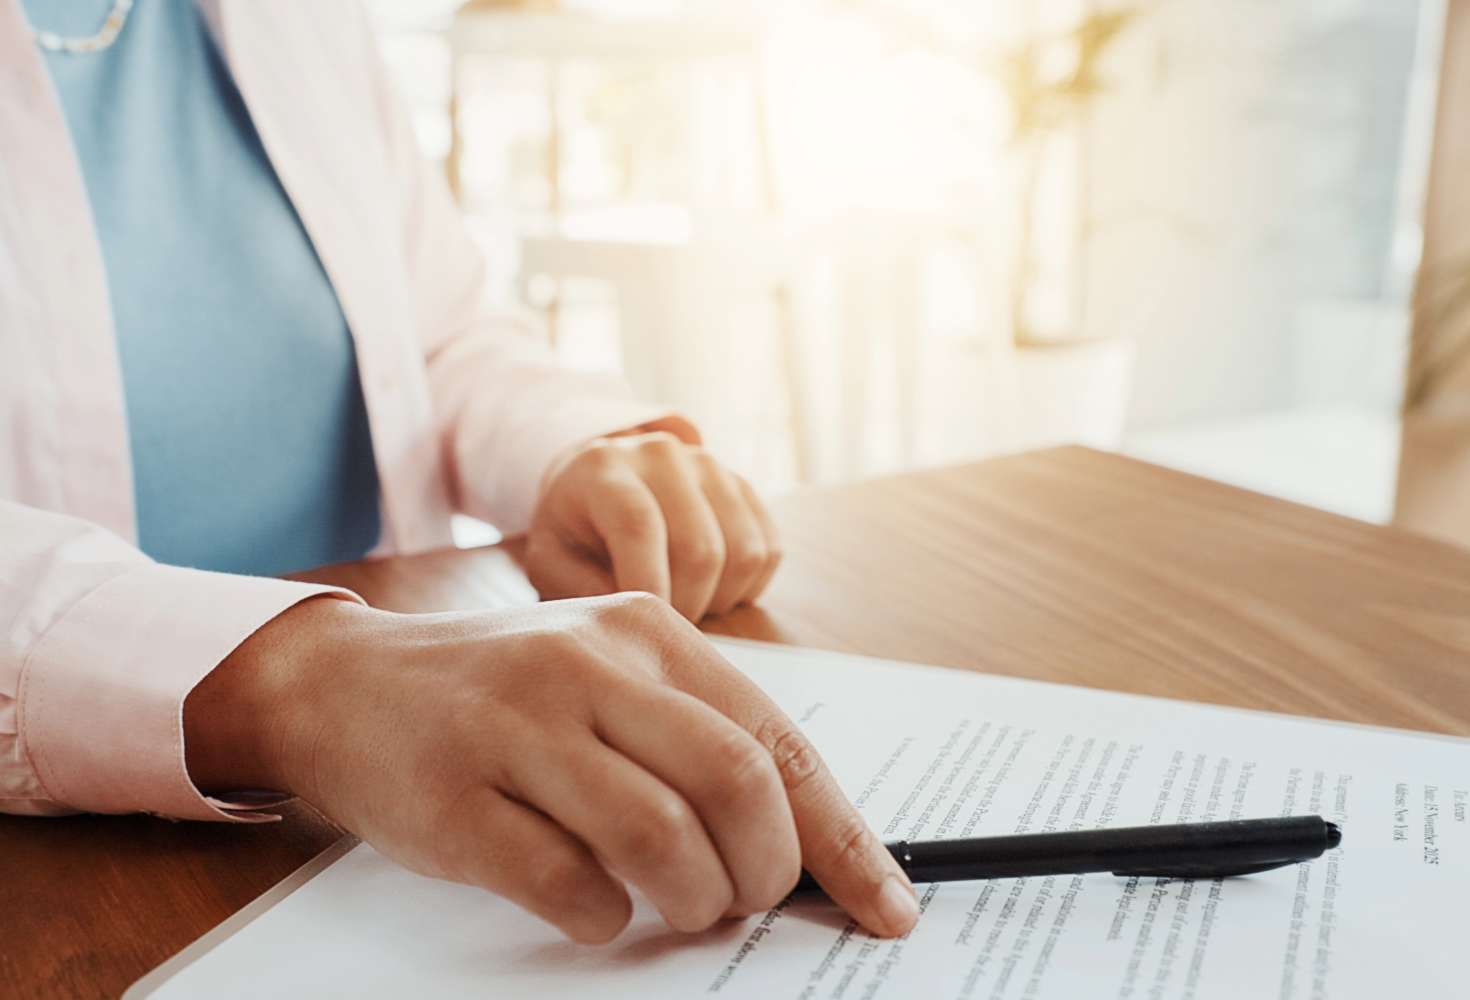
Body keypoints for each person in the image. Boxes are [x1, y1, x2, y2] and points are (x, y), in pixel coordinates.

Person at [0, 0, 920, 943]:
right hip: (86, 868)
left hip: (393, 784)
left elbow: (438, 326)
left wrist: (577, 448)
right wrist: (299, 684)